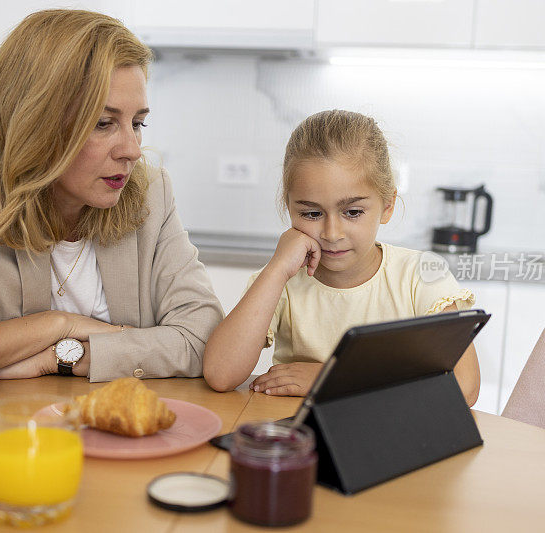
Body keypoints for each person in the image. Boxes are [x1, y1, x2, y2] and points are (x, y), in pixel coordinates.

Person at [0, 9, 223, 396]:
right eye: (104, 123)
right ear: (37, 122)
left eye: (137, 123)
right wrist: (58, 325)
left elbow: (205, 340)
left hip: (109, 437)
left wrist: (61, 359)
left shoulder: (151, 191)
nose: (132, 151)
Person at [203, 110, 480, 406]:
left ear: (387, 206)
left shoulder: (421, 276)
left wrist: (331, 377)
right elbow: (221, 374)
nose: (332, 233)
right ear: (289, 209)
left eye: (352, 212)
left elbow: (464, 386)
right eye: (311, 213)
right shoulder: (280, 281)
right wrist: (277, 269)